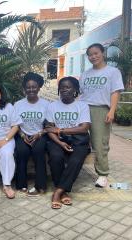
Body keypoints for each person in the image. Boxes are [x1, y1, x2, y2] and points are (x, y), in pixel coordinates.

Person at [79, 43, 125, 188]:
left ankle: (103, 174)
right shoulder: (86, 74)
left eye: (96, 53)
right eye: (90, 55)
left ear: (102, 53)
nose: (93, 57)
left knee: (100, 142)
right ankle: (76, 165)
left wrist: (112, 110)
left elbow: (115, 92)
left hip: (101, 109)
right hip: (84, 109)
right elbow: (81, 94)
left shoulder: (112, 72)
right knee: (79, 138)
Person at [45, 76, 91, 209]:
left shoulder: (82, 106)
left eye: (68, 87)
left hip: (79, 140)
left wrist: (60, 130)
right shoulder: (52, 106)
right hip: (57, 140)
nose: (64, 89)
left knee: (76, 160)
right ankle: (64, 192)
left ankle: (58, 191)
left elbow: (84, 128)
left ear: (75, 89)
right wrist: (60, 143)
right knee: (56, 157)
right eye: (62, 87)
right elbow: (49, 129)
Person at [14, 72, 49, 196]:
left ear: (39, 87)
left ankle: (41, 185)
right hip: (22, 134)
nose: (31, 89)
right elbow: (15, 125)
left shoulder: (46, 104)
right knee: (21, 151)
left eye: (34, 87)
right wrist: (22, 135)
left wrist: (39, 134)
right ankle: (21, 184)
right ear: (24, 89)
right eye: (28, 87)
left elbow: (49, 126)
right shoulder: (18, 105)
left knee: (38, 151)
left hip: (39, 135)